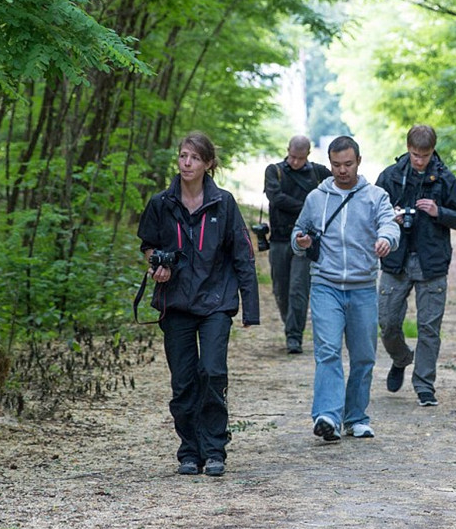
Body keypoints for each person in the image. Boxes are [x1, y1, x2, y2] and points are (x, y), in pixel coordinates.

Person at [137, 131, 260, 477]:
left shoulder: (224, 203)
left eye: (193, 157)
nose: (186, 163)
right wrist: (157, 265)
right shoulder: (161, 203)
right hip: (175, 302)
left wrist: (250, 308)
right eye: (182, 156)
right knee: (184, 381)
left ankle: (215, 448)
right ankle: (189, 451)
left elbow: (243, 256)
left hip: (216, 302)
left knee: (212, 372)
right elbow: (148, 245)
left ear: (208, 163)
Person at [291, 136, 400, 442]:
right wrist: (301, 242)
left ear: (359, 162)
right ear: (329, 164)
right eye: (336, 165)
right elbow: (298, 233)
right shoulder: (316, 198)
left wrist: (386, 239)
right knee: (327, 351)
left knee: (363, 356)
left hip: (363, 286)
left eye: (348, 164)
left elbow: (390, 224)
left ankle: (356, 417)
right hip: (325, 285)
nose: (342, 170)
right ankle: (327, 415)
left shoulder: (375, 196)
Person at [376, 125, 456, 406]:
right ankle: (401, 358)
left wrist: (438, 211)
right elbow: (371, 212)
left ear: (433, 151)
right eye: (416, 154)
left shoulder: (444, 178)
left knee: (429, 328)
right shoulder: (390, 176)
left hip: (432, 262)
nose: (420, 160)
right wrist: (389, 217)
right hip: (396, 260)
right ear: (408, 148)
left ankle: (424, 385)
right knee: (387, 322)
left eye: (425, 155)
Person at [264, 135, 332, 354]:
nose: (295, 162)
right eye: (292, 156)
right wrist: (308, 207)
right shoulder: (274, 171)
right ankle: (290, 325)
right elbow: (276, 198)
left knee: (298, 289)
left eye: (300, 158)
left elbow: (337, 187)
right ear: (287, 150)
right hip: (279, 238)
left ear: (308, 155)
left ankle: (294, 336)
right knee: (280, 290)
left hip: (305, 240)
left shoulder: (317, 172)